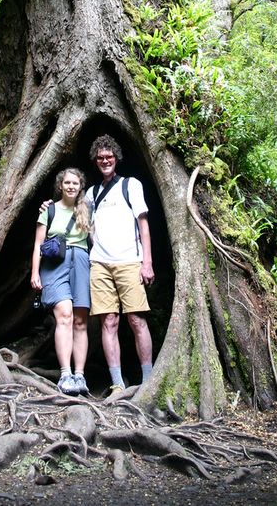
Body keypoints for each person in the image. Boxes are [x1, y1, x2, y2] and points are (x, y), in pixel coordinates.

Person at [87, 135, 155, 393]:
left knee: (136, 320)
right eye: (101, 157)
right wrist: (48, 206)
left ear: (116, 158)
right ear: (96, 160)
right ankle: (117, 383)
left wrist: (146, 262)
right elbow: (76, 216)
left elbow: (143, 225)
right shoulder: (92, 193)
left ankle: (148, 380)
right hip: (100, 264)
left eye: (109, 156)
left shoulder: (130, 185)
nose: (105, 160)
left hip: (129, 262)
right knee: (109, 322)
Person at [31, 168, 91, 396]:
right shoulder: (49, 210)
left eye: (75, 183)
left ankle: (80, 375)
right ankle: (65, 374)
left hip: (82, 263)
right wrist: (34, 273)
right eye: (67, 183)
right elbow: (38, 244)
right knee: (64, 314)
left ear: (80, 185)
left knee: (80, 321)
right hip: (55, 265)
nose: (71, 186)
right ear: (60, 185)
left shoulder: (88, 209)